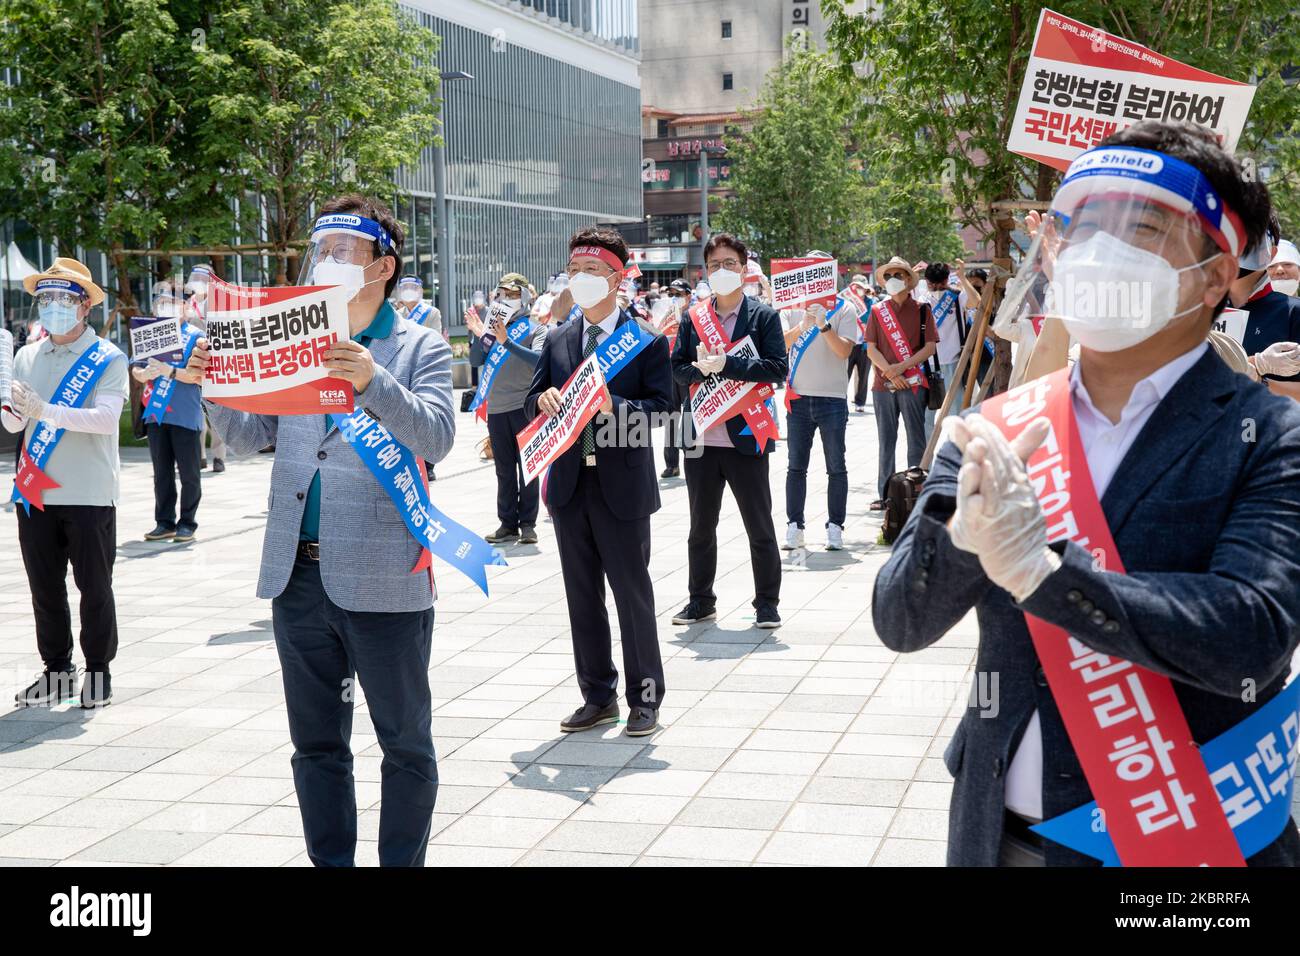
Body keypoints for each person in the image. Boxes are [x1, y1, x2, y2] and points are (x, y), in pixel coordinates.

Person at [874, 121, 1300, 867]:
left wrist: (1048, 574)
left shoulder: (1270, 437)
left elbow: (1252, 635)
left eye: (1140, 227)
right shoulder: (999, 428)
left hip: (1188, 840)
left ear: (1215, 273)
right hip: (999, 837)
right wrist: (962, 534)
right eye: (1083, 226)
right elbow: (901, 620)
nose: (1100, 252)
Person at [189, 193, 454, 867]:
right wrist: (214, 388)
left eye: (342, 251)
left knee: (405, 743)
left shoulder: (419, 344)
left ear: (383, 266)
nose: (325, 261)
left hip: (385, 576)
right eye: (319, 250)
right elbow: (251, 440)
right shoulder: (295, 341)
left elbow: (438, 436)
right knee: (316, 745)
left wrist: (373, 382)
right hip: (297, 576)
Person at [524, 227, 673, 736]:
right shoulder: (560, 336)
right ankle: (597, 695)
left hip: (622, 487)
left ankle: (645, 698)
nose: (580, 279)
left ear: (616, 277)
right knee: (581, 596)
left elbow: (665, 412)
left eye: (592, 271)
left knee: (632, 595)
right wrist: (541, 400)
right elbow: (534, 395)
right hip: (569, 486)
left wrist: (618, 407)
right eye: (574, 270)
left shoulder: (645, 340)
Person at [4, 257, 127, 709]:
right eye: (46, 298)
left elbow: (106, 419)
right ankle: (56, 670)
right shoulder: (26, 355)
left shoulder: (108, 358)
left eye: (64, 298)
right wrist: (12, 408)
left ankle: (98, 672)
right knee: (44, 587)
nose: (53, 306)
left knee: (95, 587)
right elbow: (17, 425)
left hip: (89, 491)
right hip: (35, 490)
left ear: (84, 306)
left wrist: (45, 411)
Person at [670, 232, 788, 629]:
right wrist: (698, 370)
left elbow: (776, 369)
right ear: (707, 270)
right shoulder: (693, 317)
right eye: (715, 265)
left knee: (759, 525)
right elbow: (677, 368)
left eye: (730, 264)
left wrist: (727, 364)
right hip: (701, 439)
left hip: (746, 437)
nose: (723, 271)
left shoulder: (763, 317)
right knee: (700, 527)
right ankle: (701, 600)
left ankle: (766, 603)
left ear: (744, 269)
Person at [780, 267, 858, 551]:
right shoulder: (790, 307)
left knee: (836, 466)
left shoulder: (844, 308)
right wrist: (802, 326)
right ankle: (794, 526)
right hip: (798, 398)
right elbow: (779, 345)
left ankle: (835, 527)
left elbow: (844, 351)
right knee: (795, 467)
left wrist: (824, 327)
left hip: (832, 399)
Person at [474, 272, 547, 545]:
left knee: (528, 466)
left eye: (513, 295)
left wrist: (507, 342)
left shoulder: (535, 327)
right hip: (497, 407)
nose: (506, 299)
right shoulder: (492, 327)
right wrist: (480, 335)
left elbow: (538, 359)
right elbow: (474, 359)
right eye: (502, 294)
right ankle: (507, 523)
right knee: (503, 469)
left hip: (524, 405)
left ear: (525, 298)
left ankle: (528, 524)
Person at [864, 256, 937, 510]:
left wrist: (902, 368)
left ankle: (915, 492)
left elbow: (929, 348)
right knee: (886, 440)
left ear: (909, 279)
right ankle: (886, 495)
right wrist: (892, 373)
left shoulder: (922, 310)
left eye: (898, 275)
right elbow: (870, 349)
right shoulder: (876, 310)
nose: (893, 280)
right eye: (889, 276)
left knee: (916, 438)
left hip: (914, 383)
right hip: (883, 386)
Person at [134, 281, 205, 543]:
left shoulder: (196, 337)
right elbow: (136, 369)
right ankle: (164, 522)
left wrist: (171, 372)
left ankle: (188, 522)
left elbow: (198, 376)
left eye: (172, 303)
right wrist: (145, 374)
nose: (165, 307)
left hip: (185, 414)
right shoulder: (151, 333)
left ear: (186, 307)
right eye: (161, 303)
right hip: (156, 415)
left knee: (189, 473)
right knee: (161, 472)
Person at [1228, 223, 1300, 402]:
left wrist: (1260, 377)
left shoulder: (1293, 312)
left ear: (1269, 253)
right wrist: (1255, 364)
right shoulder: (1199, 310)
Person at [184, 264, 226, 472]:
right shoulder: (188, 304)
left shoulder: (215, 303)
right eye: (195, 277)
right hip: (191, 363)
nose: (198, 281)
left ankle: (218, 456)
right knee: (196, 412)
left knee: (215, 412)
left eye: (203, 278)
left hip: (213, 362)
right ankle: (199, 455)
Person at [660, 279, 693, 478]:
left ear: (688, 295)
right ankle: (672, 464)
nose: (675, 298)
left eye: (679, 294)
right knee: (671, 417)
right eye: (672, 294)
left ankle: (691, 458)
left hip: (689, 372)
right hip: (670, 371)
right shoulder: (667, 316)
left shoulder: (697, 315)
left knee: (689, 416)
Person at [845, 273, 874, 413]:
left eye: (862, 287)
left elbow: (872, 321)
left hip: (865, 345)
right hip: (848, 343)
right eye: (856, 287)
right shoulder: (845, 302)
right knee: (845, 374)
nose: (859, 290)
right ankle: (841, 400)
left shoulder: (871, 303)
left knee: (863, 376)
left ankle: (860, 402)